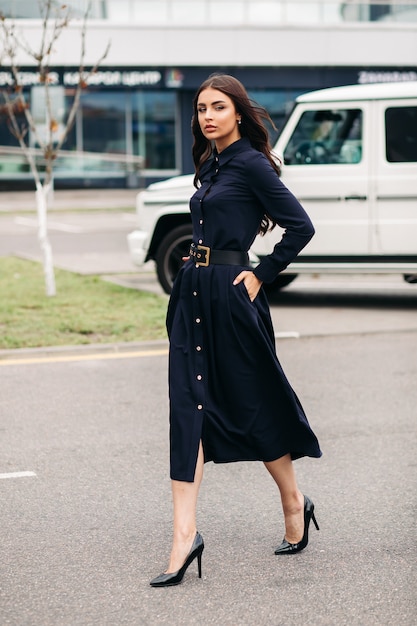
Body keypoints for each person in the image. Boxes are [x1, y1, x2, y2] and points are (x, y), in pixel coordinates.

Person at [150, 74, 322, 588]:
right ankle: (185, 537)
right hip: (193, 296)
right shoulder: (211, 163)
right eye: (201, 107)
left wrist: (261, 274)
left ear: (239, 114)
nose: (207, 115)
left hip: (231, 297)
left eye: (218, 107)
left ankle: (294, 500)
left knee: (254, 406)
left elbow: (301, 225)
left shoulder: (249, 163)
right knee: (187, 410)